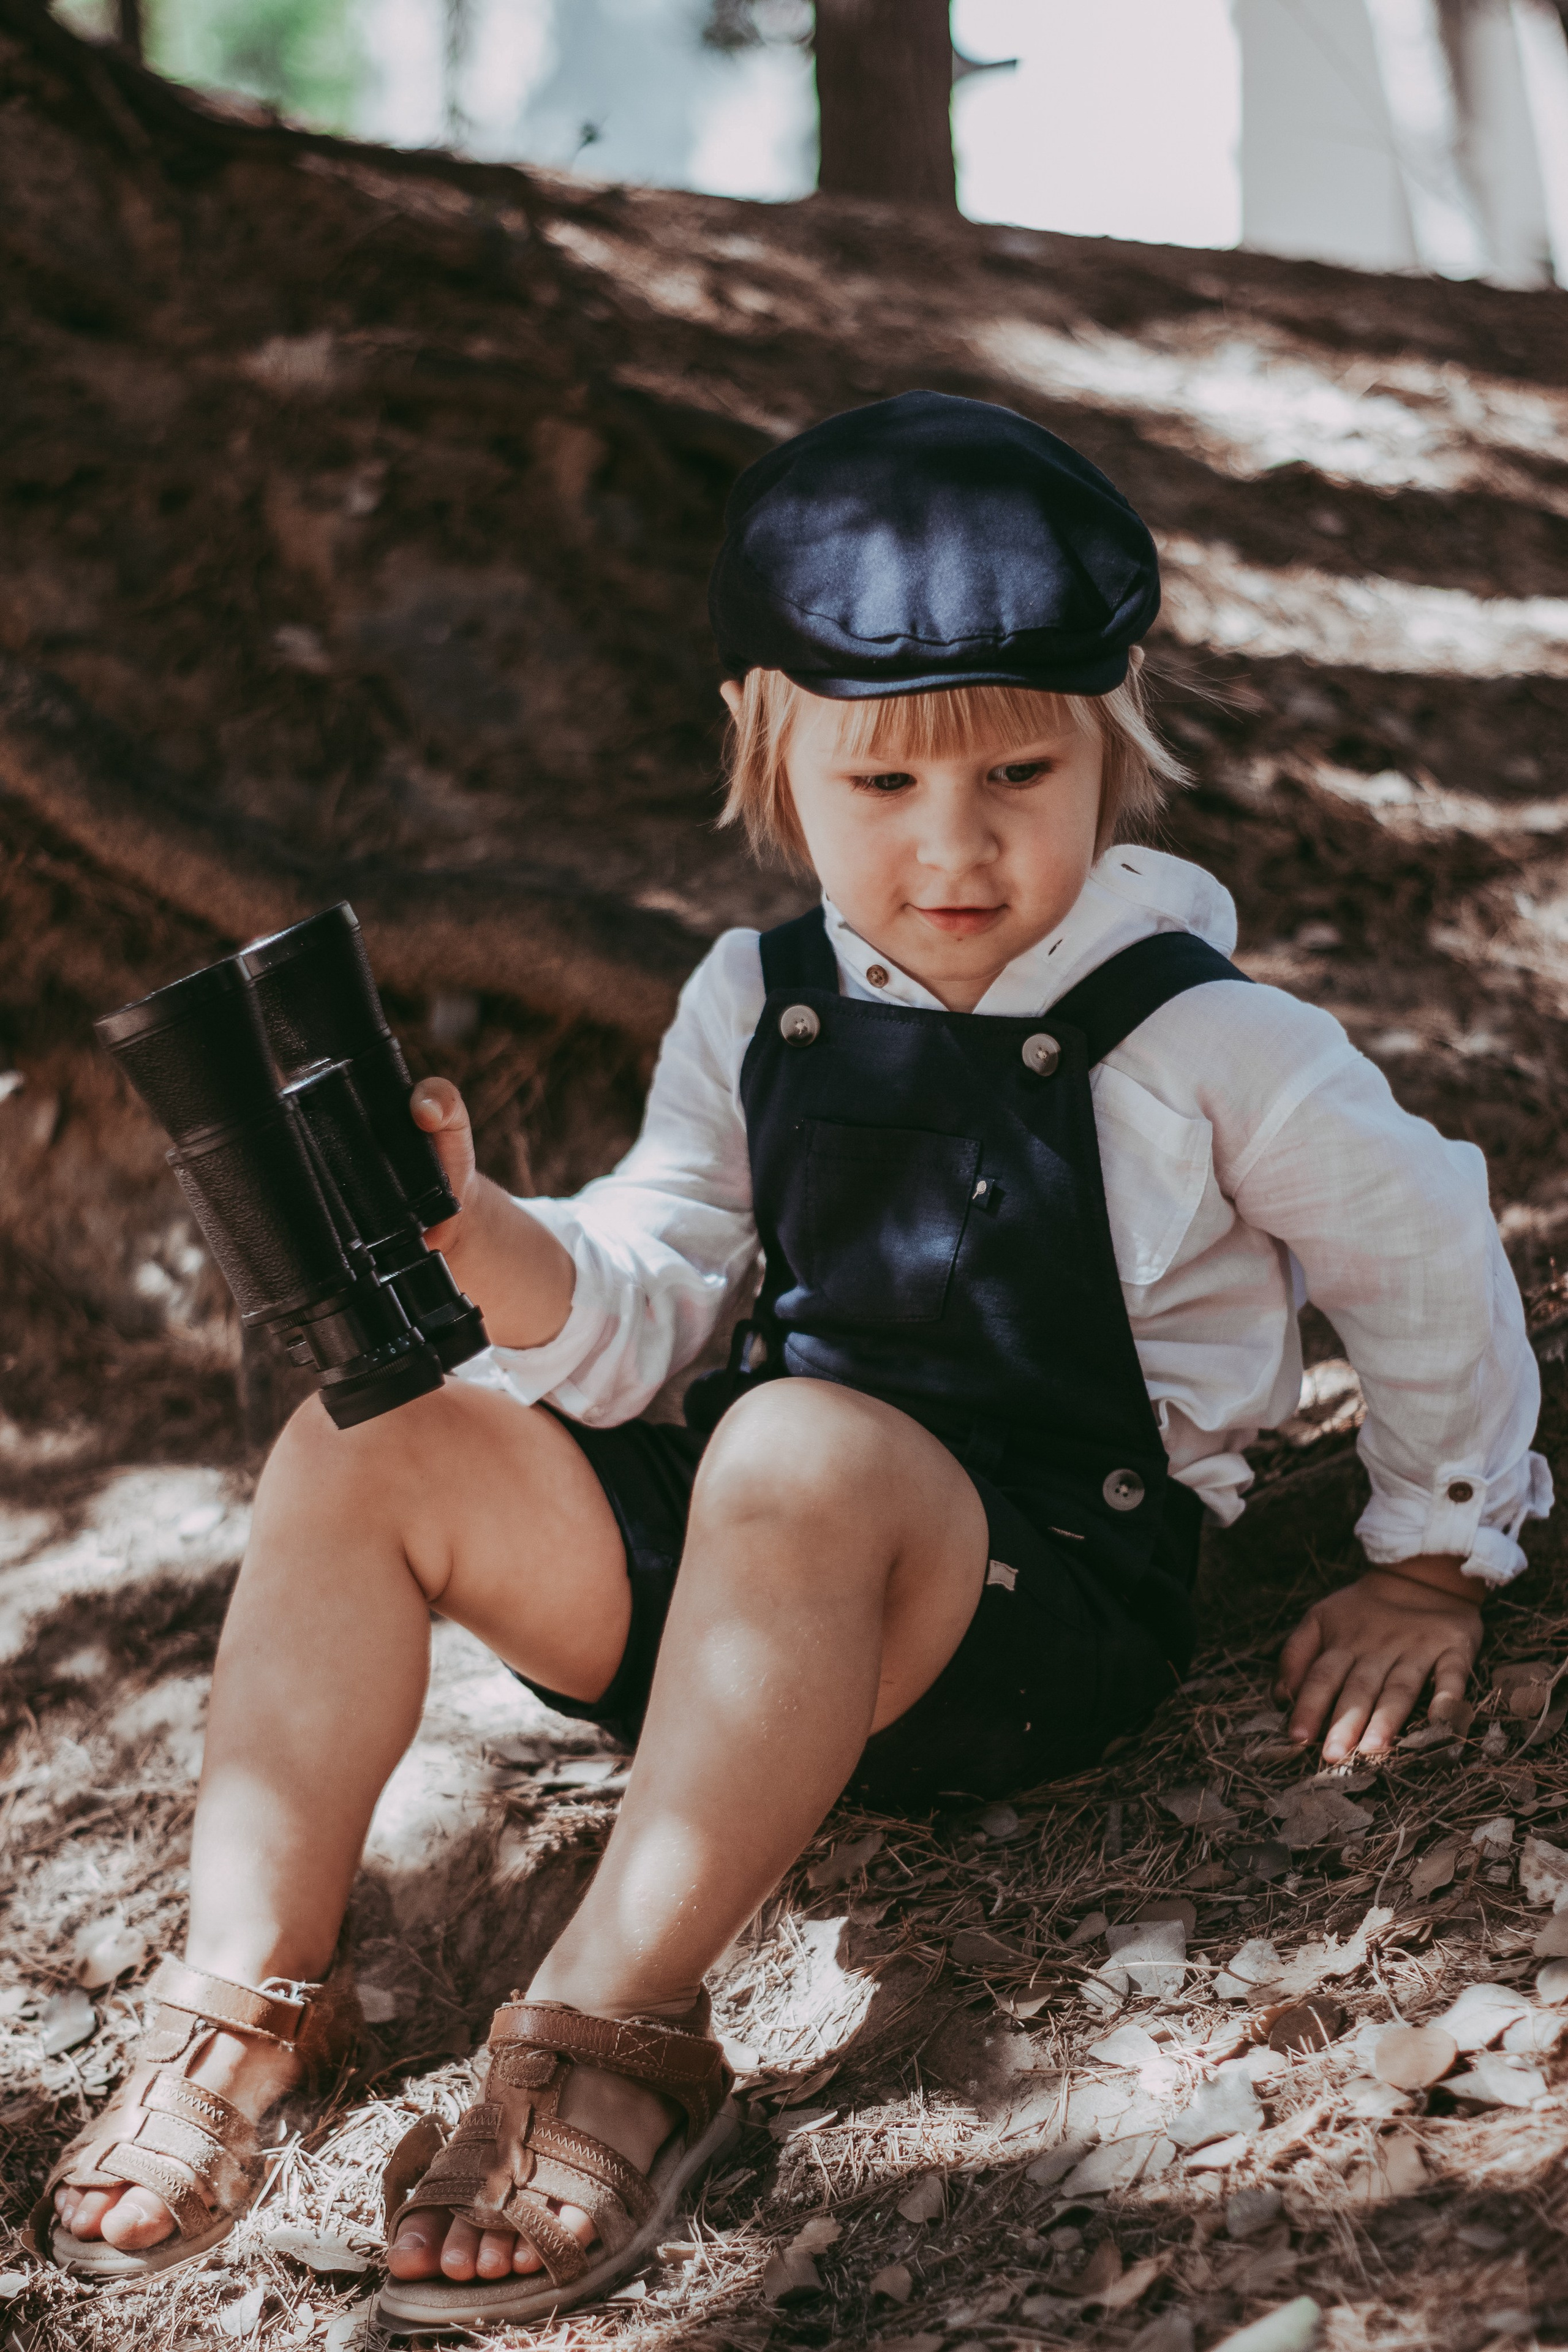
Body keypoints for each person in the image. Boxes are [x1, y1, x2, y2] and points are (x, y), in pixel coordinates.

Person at [34, 392, 1550, 2327]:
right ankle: (248, 1999)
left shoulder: (1204, 1036)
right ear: (773, 755)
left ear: (1114, 743)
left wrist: (1434, 1551)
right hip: (753, 1584)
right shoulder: (759, 998)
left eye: (1017, 774)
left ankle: (614, 2030)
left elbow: (1424, 1249)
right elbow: (655, 1283)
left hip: (1030, 1604)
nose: (956, 847)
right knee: (371, 1441)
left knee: (801, 1447)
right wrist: (481, 1237)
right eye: (882, 790)